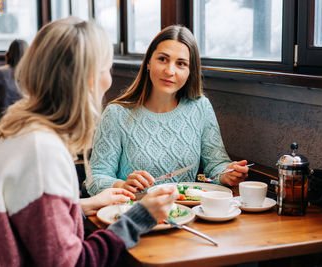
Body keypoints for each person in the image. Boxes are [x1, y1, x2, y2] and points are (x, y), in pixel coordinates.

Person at [0, 17, 178, 266]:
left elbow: (33, 215)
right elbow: (73, 262)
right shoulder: (42, 151)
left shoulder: (15, 126)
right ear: (89, 80)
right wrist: (141, 216)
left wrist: (83, 204)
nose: (110, 78)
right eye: (107, 68)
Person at [87, 25, 250, 196]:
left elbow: (216, 166)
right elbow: (95, 178)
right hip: (134, 215)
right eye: (163, 59)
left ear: (190, 72)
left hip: (189, 215)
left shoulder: (200, 107)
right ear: (149, 62)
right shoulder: (116, 114)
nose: (169, 71)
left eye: (181, 64)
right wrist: (121, 185)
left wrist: (228, 174)